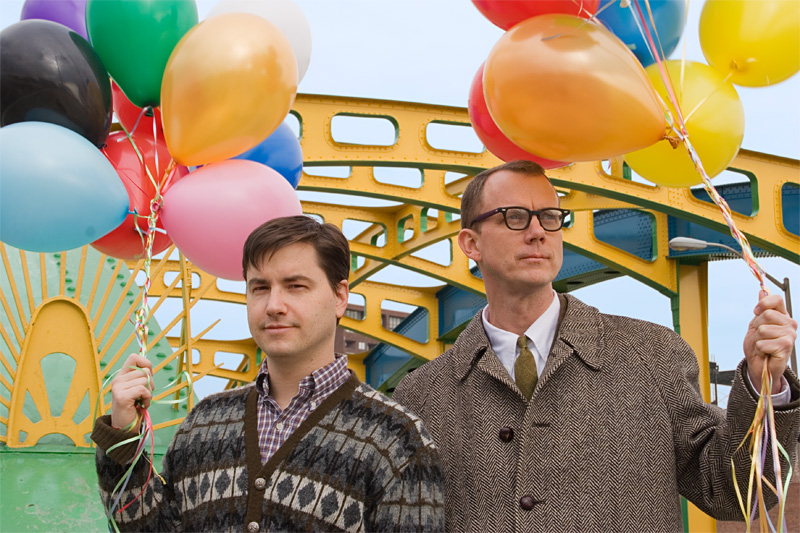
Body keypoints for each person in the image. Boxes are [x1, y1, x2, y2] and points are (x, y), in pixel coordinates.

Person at [393, 160, 799, 532]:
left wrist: (766, 387)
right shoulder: (422, 395)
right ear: (470, 243)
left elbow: (732, 491)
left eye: (551, 217)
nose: (538, 231)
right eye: (514, 217)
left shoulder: (653, 354)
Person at [92, 215, 446, 532]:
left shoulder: (398, 440)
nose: (274, 305)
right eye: (260, 287)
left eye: (295, 286)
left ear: (339, 297)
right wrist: (124, 437)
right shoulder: (204, 422)